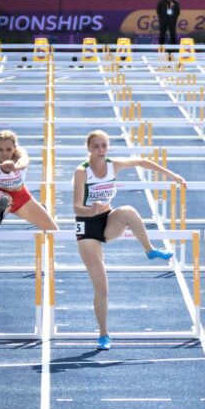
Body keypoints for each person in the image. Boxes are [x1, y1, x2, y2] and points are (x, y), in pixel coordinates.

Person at [73, 130, 186, 350]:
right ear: (88, 148)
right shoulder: (81, 172)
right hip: (86, 226)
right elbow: (76, 206)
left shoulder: (113, 164)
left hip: (106, 219)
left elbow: (143, 162)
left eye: (104, 145)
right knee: (102, 289)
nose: (100, 150)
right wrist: (90, 209)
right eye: (96, 146)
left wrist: (172, 176)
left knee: (129, 211)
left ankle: (150, 250)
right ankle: (103, 334)